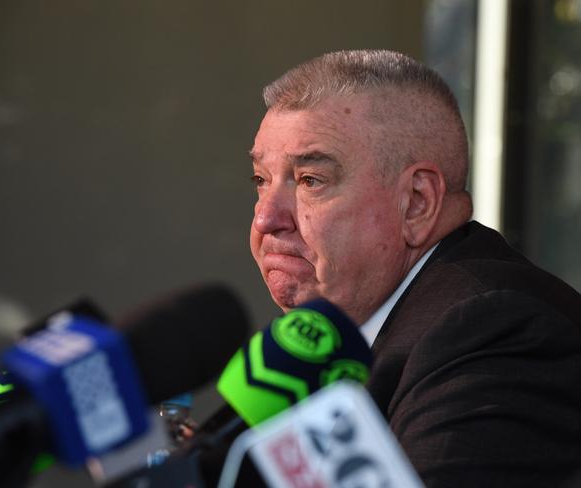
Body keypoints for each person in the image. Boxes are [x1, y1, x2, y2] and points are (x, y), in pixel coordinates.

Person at [249, 49, 581, 488]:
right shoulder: (320, 348)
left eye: (311, 181)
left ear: (418, 203)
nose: (266, 219)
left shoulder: (495, 328)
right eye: (260, 181)